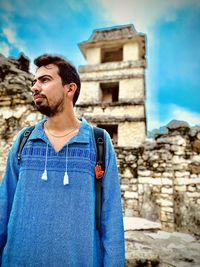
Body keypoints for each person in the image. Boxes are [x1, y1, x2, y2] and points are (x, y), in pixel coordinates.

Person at [0, 54, 125, 266]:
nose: (35, 87)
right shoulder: (24, 140)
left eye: (45, 80)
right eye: (34, 81)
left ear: (70, 89)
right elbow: (4, 207)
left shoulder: (99, 143)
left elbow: (111, 219)